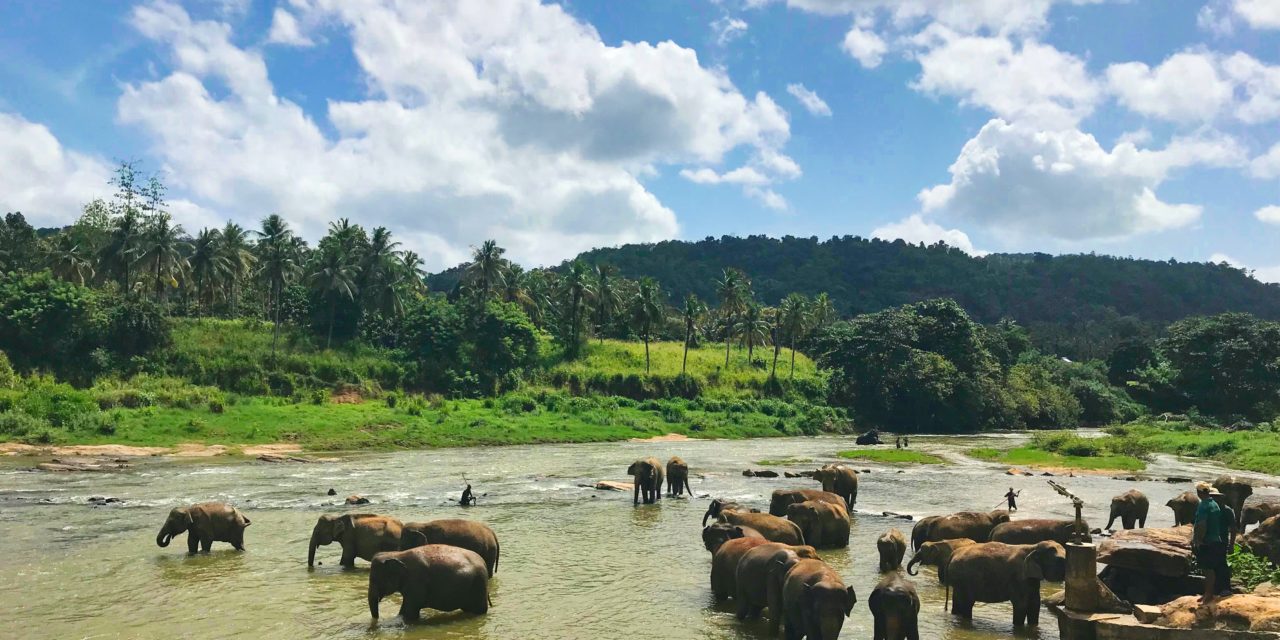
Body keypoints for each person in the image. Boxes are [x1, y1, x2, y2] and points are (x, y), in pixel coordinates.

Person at [1193, 482, 1227, 605]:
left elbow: (1202, 524)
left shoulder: (1203, 505)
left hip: (1207, 542)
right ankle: (1208, 593)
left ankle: (1208, 594)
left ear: (1199, 493)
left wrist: (1198, 540)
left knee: (1208, 569)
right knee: (1211, 568)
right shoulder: (1214, 504)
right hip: (1215, 539)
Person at [1210, 487, 1237, 596]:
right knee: (1211, 565)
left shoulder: (1227, 510)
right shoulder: (1209, 509)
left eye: (1216, 498)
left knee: (1222, 564)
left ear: (1221, 499)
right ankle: (1215, 589)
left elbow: (1233, 529)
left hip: (1222, 541)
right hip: (1210, 541)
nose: (1214, 500)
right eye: (1212, 497)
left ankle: (1226, 588)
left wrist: (1231, 545)